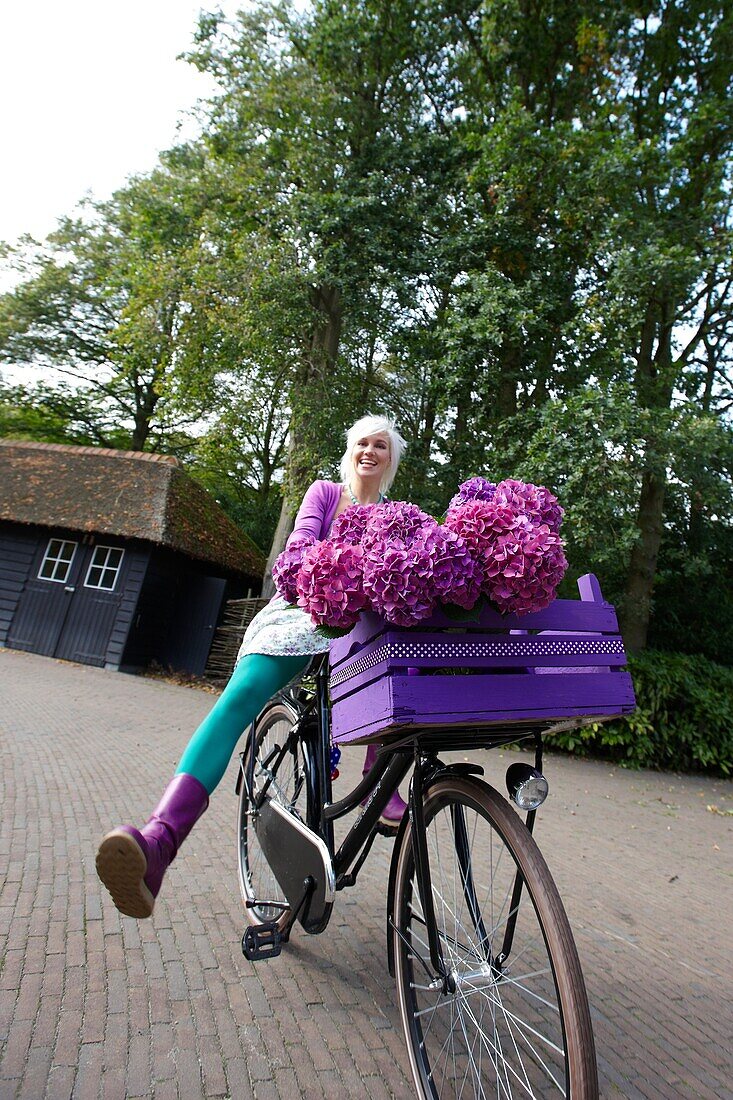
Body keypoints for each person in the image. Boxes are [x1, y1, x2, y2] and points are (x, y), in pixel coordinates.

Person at [96, 414, 409, 918]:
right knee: (241, 697)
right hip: (306, 608)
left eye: (381, 445)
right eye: (361, 443)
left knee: (404, 654)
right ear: (349, 451)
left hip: (363, 628)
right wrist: (339, 570)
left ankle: (381, 781)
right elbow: (300, 545)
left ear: (391, 459)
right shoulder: (325, 494)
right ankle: (159, 842)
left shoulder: (398, 515)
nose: (370, 451)